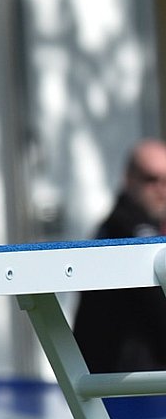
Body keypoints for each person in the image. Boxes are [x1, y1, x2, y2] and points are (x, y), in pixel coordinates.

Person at [74, 139, 166, 372]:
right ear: (129, 179)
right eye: (151, 179)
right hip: (124, 379)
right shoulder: (124, 229)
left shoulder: (131, 226)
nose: (161, 189)